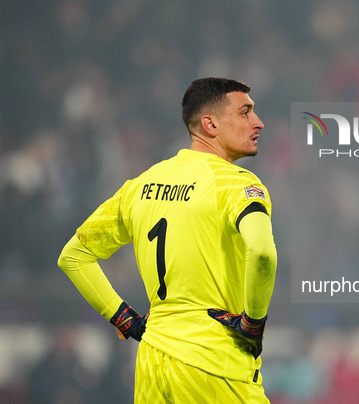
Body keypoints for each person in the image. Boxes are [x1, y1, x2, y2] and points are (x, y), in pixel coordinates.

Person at [57, 77, 277, 403]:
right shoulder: (235, 183)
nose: (258, 122)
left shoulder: (143, 184)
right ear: (210, 123)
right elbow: (262, 254)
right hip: (214, 362)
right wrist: (253, 324)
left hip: (152, 361)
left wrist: (124, 318)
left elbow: (73, 256)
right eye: (245, 112)